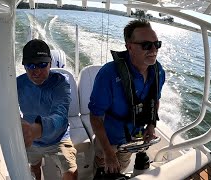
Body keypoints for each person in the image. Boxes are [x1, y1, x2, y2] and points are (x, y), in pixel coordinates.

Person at [88, 19, 166, 175]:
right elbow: (95, 117)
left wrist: (151, 126)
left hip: (133, 138)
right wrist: (108, 153)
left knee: (122, 167)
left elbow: (155, 100)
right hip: (108, 139)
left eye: (156, 44)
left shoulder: (158, 72)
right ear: (129, 47)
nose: (153, 50)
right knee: (102, 169)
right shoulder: (108, 74)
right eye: (146, 45)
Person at [17, 39, 78, 180]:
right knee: (34, 167)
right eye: (30, 65)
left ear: (50, 63)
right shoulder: (17, 84)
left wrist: (34, 130)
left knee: (71, 172)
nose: (36, 71)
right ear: (24, 66)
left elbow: (60, 115)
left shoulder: (61, 83)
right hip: (31, 141)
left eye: (42, 64)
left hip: (58, 138)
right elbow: (7, 109)